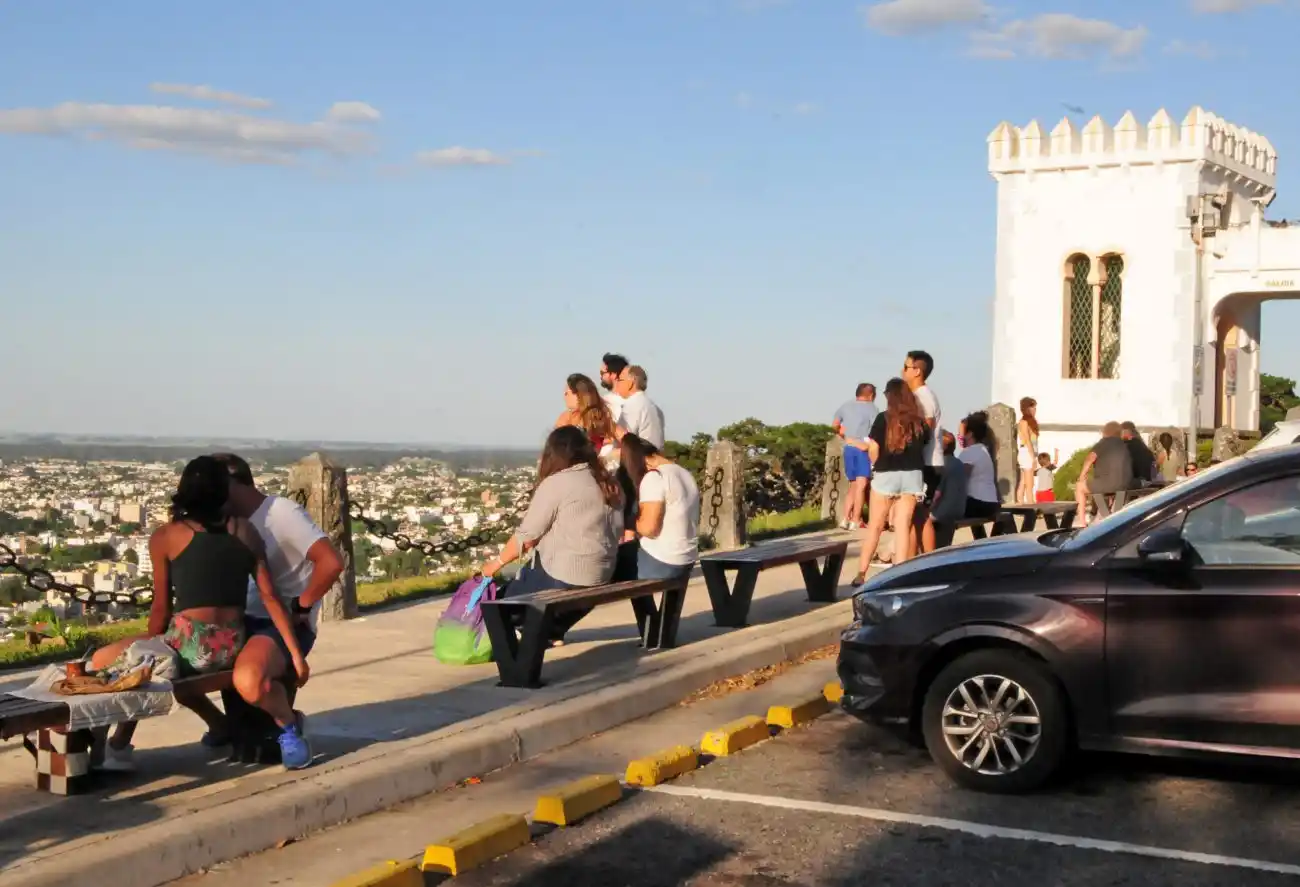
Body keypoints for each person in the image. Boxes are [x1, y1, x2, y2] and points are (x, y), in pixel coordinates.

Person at [87, 456, 304, 771]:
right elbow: (270, 596)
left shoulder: (167, 536)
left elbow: (161, 609)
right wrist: (295, 654)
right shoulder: (244, 530)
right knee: (155, 659)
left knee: (110, 660)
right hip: (231, 646)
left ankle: (115, 746)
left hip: (186, 647)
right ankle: (226, 725)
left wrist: (151, 638)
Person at [212, 453, 345, 770]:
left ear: (232, 484)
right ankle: (225, 726)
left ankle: (290, 726)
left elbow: (331, 562)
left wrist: (303, 604)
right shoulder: (226, 521)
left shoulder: (281, 513)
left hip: (282, 622)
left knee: (249, 680)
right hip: (242, 618)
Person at [479, 426, 624, 644]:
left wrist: (494, 565)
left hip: (564, 575)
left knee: (499, 604)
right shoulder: (609, 483)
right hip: (602, 575)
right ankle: (552, 631)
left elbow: (526, 537)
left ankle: (520, 656)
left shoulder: (558, 482)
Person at [851, 378, 931, 585]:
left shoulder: (882, 418)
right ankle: (899, 574)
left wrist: (875, 464)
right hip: (912, 475)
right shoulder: (919, 421)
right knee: (903, 526)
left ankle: (861, 573)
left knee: (876, 525)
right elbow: (925, 444)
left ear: (890, 396)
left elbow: (874, 448)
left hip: (886, 474)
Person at [619, 434, 700, 580]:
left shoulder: (655, 476)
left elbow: (650, 530)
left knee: (612, 565)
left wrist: (627, 521)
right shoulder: (684, 473)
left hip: (661, 560)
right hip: (687, 559)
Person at [902, 350, 942, 557]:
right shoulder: (919, 395)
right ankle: (918, 559)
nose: (902, 371)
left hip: (926, 462)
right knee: (917, 517)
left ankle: (921, 560)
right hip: (926, 462)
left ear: (917, 371)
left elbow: (927, 426)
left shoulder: (922, 396)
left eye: (906, 367)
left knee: (917, 517)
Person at [832, 383, 879, 530]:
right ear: (871, 395)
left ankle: (845, 518)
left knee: (852, 485)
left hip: (848, 448)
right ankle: (856, 519)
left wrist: (845, 436)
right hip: (862, 448)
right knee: (861, 485)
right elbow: (876, 430)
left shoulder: (845, 406)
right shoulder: (872, 408)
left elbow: (835, 425)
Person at [1073, 422, 1133, 526]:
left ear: (1105, 432)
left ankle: (1082, 524)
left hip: (1108, 484)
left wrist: (1082, 475)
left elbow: (1090, 458)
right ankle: (1112, 521)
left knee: (1079, 487)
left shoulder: (1104, 442)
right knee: (1102, 488)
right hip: (1125, 484)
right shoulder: (1124, 445)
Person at [555, 373, 619, 467]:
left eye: (566, 393)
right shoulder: (566, 418)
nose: (564, 397)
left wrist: (606, 457)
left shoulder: (598, 418)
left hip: (579, 469)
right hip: (581, 469)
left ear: (578, 395)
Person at [955, 411, 1002, 520]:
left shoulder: (969, 452)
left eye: (961, 433)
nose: (960, 437)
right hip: (991, 503)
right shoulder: (983, 449)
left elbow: (960, 479)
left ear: (970, 434)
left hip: (978, 503)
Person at [613, 365, 665, 450]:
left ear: (631, 382)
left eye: (619, 380)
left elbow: (624, 441)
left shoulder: (632, 405)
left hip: (639, 455)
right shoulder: (655, 407)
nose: (617, 384)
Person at [926, 431, 967, 531]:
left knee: (917, 519)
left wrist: (927, 509)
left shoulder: (940, 465)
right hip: (960, 511)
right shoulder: (959, 463)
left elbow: (936, 495)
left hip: (943, 513)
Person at [1016, 398, 1040, 504]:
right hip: (1026, 452)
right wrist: (1033, 457)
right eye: (1032, 407)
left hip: (1029, 452)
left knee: (1024, 481)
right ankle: (1030, 503)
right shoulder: (1023, 422)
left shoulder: (1031, 422)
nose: (1035, 409)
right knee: (1029, 483)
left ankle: (1021, 502)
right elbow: (1027, 440)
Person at [598, 353, 630, 423]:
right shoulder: (633, 399)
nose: (601, 376)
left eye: (602, 373)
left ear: (614, 375)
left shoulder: (607, 401)